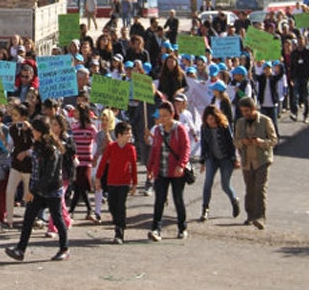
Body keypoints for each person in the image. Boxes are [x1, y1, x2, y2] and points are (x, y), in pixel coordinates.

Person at [5, 117, 70, 262]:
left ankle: (64, 249)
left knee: (58, 219)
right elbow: (30, 152)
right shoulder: (37, 144)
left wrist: (31, 192)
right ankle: (20, 250)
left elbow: (49, 175)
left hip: (52, 190)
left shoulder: (52, 149)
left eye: (34, 130)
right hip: (37, 189)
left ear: (40, 132)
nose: (32, 132)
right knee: (28, 219)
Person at [146, 101, 190, 242]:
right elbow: (154, 149)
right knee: (159, 200)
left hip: (176, 172)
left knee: (178, 199)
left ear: (172, 115)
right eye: (161, 116)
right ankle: (156, 229)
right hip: (161, 171)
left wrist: (181, 165)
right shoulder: (158, 130)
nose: (162, 118)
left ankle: (182, 228)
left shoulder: (180, 129)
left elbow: (186, 148)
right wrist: (150, 167)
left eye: (165, 115)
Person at [233, 97, 278, 230]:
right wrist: (243, 143)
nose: (245, 114)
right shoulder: (240, 123)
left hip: (262, 160)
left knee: (260, 188)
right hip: (247, 161)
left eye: (247, 111)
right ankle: (250, 215)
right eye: (242, 111)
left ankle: (260, 217)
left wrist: (260, 142)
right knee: (250, 188)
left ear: (254, 109)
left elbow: (274, 140)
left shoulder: (265, 121)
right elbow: (235, 141)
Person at [95, 121, 137, 244]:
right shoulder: (111, 147)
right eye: (126, 133)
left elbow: (133, 166)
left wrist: (134, 183)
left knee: (120, 206)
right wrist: (98, 178)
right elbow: (103, 163)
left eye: (130, 133)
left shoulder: (131, 149)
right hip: (111, 181)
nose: (129, 135)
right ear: (119, 135)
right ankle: (117, 222)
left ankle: (120, 231)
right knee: (112, 206)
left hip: (124, 182)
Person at [198, 106, 240, 222]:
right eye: (208, 119)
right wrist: (202, 162)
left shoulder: (224, 127)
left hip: (226, 158)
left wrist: (235, 159)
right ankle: (205, 209)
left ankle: (234, 200)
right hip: (212, 158)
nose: (211, 121)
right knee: (208, 183)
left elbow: (231, 144)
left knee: (225, 184)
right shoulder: (204, 128)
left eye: (212, 118)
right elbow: (204, 145)